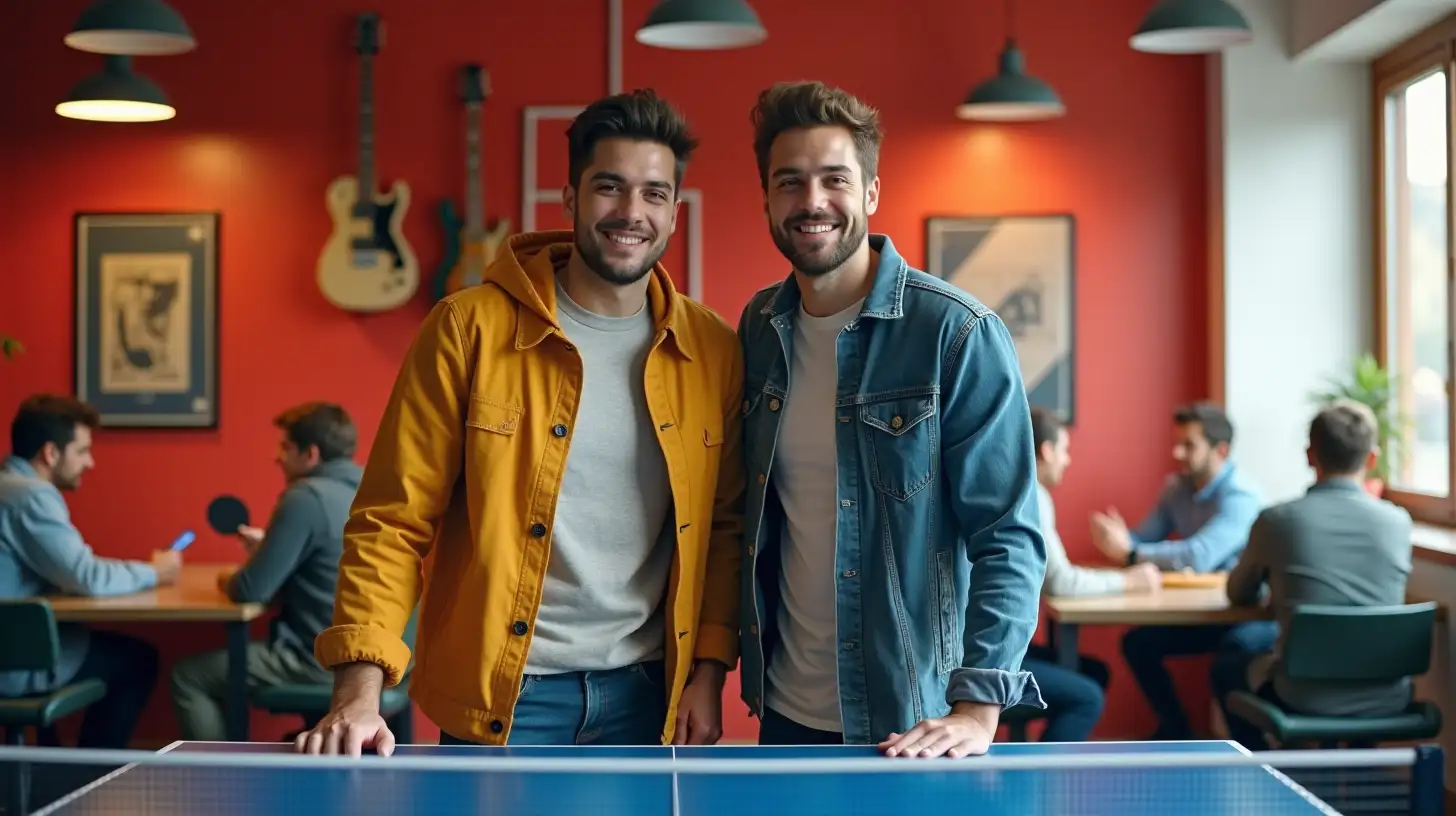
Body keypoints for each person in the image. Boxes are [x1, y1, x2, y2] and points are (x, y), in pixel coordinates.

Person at [295, 89, 745, 756]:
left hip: (649, 698)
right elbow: (391, 520)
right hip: (504, 701)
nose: (631, 213)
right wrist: (359, 694)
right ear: (568, 198)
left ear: (674, 212)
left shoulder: (711, 349)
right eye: (609, 187)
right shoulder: (466, 328)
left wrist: (707, 673)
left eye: (654, 194)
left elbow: (724, 530)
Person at [736, 80, 1047, 760]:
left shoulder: (956, 333)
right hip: (787, 713)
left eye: (833, 179)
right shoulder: (759, 330)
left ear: (872, 194)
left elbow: (1010, 535)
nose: (811, 201)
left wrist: (977, 708)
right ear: (765, 198)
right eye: (789, 182)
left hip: (911, 723)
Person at [1216, 400, 1414, 750]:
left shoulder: (1277, 521)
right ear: (1372, 458)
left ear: (1311, 456)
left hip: (1304, 696)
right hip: (1387, 696)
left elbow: (1238, 593)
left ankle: (1273, 777)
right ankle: (1356, 780)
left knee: (1225, 669)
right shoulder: (1398, 523)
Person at [170, 402, 362, 741]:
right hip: (381, 658)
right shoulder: (368, 488)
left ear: (311, 454)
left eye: (285, 447)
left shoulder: (305, 497)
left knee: (189, 677)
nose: (277, 456)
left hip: (321, 659)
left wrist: (224, 576)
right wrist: (271, 548)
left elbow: (249, 590)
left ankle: (219, 779)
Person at [0, 394, 179, 748]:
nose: (90, 462)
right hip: (12, 666)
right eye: (82, 451)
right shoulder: (31, 496)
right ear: (51, 453)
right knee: (138, 660)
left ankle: (49, 768)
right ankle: (89, 780)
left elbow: (66, 570)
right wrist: (155, 572)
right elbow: (87, 577)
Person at [1093, 401, 1264, 740]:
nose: (1177, 452)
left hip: (1244, 613)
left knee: (1230, 657)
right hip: (1200, 612)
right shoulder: (1177, 487)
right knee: (1138, 643)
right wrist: (1121, 538)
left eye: (1189, 445)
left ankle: (1250, 751)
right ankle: (1176, 729)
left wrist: (1132, 552)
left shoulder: (1241, 498)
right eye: (1178, 442)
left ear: (1221, 450)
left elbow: (1199, 556)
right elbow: (1144, 539)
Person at [1018, 407, 1161, 741]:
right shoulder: (1032, 494)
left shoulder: (1016, 490)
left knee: (1094, 673)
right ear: (1047, 451)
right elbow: (1062, 582)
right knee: (1087, 698)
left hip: (976, 649)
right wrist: (1130, 581)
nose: (1067, 461)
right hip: (978, 660)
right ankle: (1039, 784)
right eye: (1065, 450)